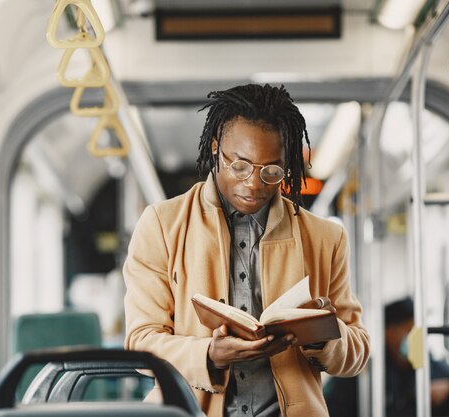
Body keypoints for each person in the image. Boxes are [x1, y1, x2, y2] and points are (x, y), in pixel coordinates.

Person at [123, 83, 370, 417]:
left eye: (271, 171)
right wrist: (210, 354)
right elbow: (140, 343)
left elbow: (358, 351)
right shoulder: (161, 225)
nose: (254, 183)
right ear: (214, 149)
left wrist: (323, 338)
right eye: (239, 165)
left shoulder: (326, 238)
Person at [324, 297, 449, 417]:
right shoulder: (362, 375)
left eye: (417, 330)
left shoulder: (439, 370)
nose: (415, 337)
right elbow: (330, 409)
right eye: (408, 330)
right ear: (388, 332)